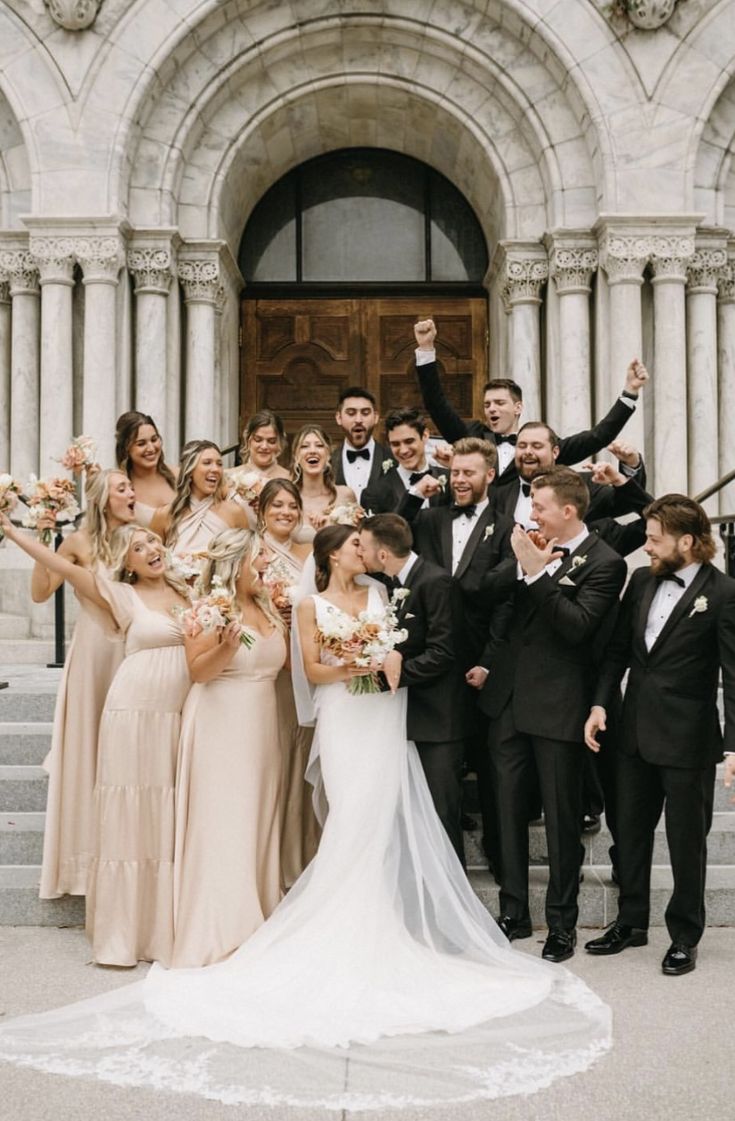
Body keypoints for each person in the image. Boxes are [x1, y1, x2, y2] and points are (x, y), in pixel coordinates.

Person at [0, 523, 612, 1111]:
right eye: (352, 543)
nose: (363, 548)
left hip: (383, 717)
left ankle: (382, 923)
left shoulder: (376, 594)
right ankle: (330, 928)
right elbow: (309, 671)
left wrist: (388, 663)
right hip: (342, 714)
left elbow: (398, 646)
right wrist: (365, 667)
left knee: (381, 817)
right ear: (329, 556)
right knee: (349, 819)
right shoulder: (305, 603)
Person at [0, 518, 191, 966]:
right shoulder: (120, 596)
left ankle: (164, 928)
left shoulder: (189, 591)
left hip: (180, 714)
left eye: (153, 540)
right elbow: (60, 568)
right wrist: (10, 530)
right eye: (138, 546)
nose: (149, 548)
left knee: (168, 814)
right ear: (125, 564)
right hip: (134, 713)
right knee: (132, 814)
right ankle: (124, 933)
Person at [478, 468, 626, 961]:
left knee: (563, 818)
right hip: (507, 701)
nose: (530, 514)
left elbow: (578, 628)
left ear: (568, 510)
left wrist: (539, 575)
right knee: (505, 812)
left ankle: (562, 924)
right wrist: (522, 567)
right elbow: (485, 590)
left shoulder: (605, 562)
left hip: (560, 703)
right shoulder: (528, 544)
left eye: (538, 506)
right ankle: (513, 912)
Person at [584, 495, 735, 975]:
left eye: (654, 539)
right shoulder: (638, 581)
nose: (646, 547)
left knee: (687, 839)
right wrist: (599, 704)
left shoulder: (725, 593)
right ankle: (631, 923)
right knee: (628, 833)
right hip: (632, 734)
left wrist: (734, 745)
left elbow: (734, 675)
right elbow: (615, 653)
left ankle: (684, 936)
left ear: (686, 542)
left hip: (689, 740)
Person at [398, 436, 516, 875]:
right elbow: (390, 536)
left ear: (489, 475)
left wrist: (488, 661)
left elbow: (507, 604)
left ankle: (502, 862)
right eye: (455, 472)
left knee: (491, 771)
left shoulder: (506, 527)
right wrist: (413, 496)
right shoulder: (429, 520)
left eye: (469, 473)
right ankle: (445, 873)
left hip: (481, 668)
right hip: (432, 670)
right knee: (441, 779)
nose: (459, 480)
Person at [171, 529, 287, 968]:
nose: (266, 565)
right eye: (259, 558)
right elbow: (199, 673)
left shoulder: (267, 606)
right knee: (224, 820)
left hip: (260, 726)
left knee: (256, 815)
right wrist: (226, 645)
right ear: (237, 563)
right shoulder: (208, 609)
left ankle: (258, 912)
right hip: (220, 723)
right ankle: (223, 926)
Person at [32, 469, 135, 899]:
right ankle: (82, 863)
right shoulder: (78, 542)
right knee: (88, 749)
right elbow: (40, 593)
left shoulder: (140, 538)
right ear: (101, 498)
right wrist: (43, 540)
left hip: (131, 650)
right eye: (123, 489)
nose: (132, 493)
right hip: (93, 654)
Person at [413, 318, 648, 487]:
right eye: (487, 405)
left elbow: (598, 436)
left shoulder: (542, 446)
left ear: (518, 408)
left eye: (499, 403)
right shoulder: (471, 436)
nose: (491, 409)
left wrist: (629, 393)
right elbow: (437, 405)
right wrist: (426, 349)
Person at [360, 513, 467, 864]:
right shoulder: (386, 585)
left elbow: (443, 653)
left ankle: (449, 909)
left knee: (440, 815)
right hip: (403, 719)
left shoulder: (436, 582)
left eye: (363, 547)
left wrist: (387, 675)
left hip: (438, 722)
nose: (359, 554)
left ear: (382, 555)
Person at [256, 479, 320, 888]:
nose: (285, 512)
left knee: (301, 762)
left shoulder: (309, 553)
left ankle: (305, 860)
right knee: (274, 761)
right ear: (261, 510)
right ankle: (271, 867)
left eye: (291, 505)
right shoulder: (251, 554)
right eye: (276, 505)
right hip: (268, 674)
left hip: (306, 670)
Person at [151, 440, 249, 556]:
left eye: (219, 464)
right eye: (207, 463)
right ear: (190, 470)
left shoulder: (235, 513)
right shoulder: (164, 515)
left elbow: (246, 559)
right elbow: (153, 561)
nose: (215, 469)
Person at [361, 407, 448, 515]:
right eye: (395, 444)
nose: (403, 450)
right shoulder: (374, 493)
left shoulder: (451, 480)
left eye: (409, 441)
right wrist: (415, 494)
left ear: (425, 436)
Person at [331, 385, 394, 502]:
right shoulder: (327, 463)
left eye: (365, 413)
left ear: (375, 417)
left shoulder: (393, 458)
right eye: (351, 413)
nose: (358, 420)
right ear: (339, 417)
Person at [291, 423, 356, 532]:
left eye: (319, 445)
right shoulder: (287, 498)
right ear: (296, 456)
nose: (312, 451)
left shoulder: (345, 495)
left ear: (328, 454)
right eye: (305, 446)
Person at [115, 411, 177, 525]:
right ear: (126, 448)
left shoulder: (178, 475)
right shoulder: (120, 487)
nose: (151, 448)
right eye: (141, 443)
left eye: (154, 439)